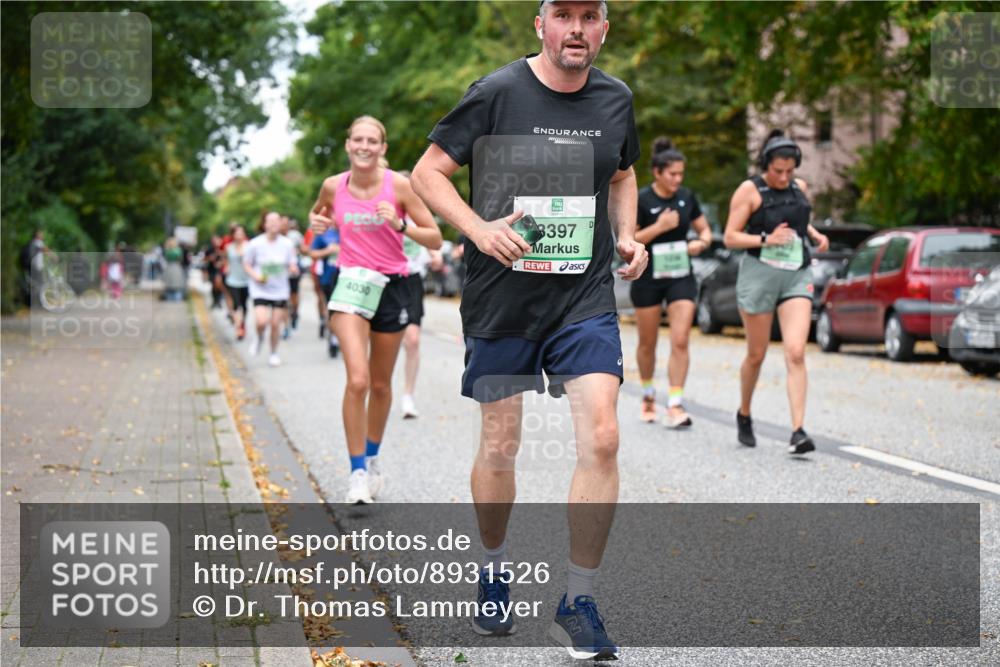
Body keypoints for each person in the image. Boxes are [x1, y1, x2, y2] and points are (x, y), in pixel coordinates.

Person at [411, 1, 644, 660]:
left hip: (583, 295)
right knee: (501, 444)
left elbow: (623, 174)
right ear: (539, 25)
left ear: (604, 28)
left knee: (602, 431)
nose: (577, 28)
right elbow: (426, 173)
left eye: (590, 15)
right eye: (563, 14)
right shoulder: (496, 93)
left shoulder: (616, 100)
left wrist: (626, 234)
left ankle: (578, 601)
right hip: (502, 300)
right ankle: (492, 567)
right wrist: (478, 229)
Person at [309, 116, 442, 505]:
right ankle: (356, 474)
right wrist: (316, 223)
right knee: (358, 380)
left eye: (373, 141)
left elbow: (433, 235)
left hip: (393, 287)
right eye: (358, 140)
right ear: (348, 144)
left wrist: (400, 225)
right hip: (351, 284)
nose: (365, 146)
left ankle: (372, 456)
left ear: (382, 149)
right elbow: (316, 219)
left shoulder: (399, 185)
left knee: (382, 384)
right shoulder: (333, 186)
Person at [723, 129, 829, 455]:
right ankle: (744, 413)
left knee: (795, 352)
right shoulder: (749, 191)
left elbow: (796, 222)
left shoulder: (799, 188)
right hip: (759, 275)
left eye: (789, 171)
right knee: (757, 354)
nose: (784, 177)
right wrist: (766, 240)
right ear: (766, 165)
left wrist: (814, 234)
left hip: (795, 275)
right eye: (777, 171)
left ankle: (798, 431)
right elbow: (730, 237)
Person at [631, 137, 712, 428]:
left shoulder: (687, 198)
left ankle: (675, 403)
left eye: (681, 174)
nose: (678, 179)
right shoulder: (642, 199)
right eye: (672, 174)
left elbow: (705, 232)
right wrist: (660, 227)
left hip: (680, 275)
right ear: (657, 172)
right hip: (648, 276)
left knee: (680, 339)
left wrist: (699, 244)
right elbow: (631, 240)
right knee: (647, 343)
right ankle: (648, 394)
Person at [396, 170, 444, 419]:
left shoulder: (418, 218)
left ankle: (408, 396)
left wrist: (436, 257)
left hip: (411, 281)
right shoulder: (385, 214)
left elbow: (433, 245)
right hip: (384, 281)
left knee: (412, 340)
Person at [244, 211, 299, 367]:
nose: (274, 224)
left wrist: (293, 268)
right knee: (261, 321)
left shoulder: (287, 244)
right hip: (260, 288)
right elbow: (247, 264)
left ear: (281, 224)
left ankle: (273, 353)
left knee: (275, 324)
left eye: (277, 221)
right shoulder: (255, 243)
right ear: (265, 224)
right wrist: (255, 276)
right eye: (271, 221)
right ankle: (259, 337)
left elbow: (292, 263)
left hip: (280, 290)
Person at [309, 223, 341, 357]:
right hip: (328, 278)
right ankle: (333, 338)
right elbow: (312, 253)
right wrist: (328, 251)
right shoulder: (324, 234)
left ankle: (343, 337)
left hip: (349, 278)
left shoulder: (353, 231)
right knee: (333, 310)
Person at [225, 225, 251, 340]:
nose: (239, 236)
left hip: (246, 280)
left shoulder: (249, 246)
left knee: (244, 305)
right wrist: (226, 268)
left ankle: (242, 323)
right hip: (233, 279)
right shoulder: (228, 247)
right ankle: (238, 328)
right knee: (236, 304)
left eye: (241, 233)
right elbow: (227, 261)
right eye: (237, 233)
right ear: (233, 235)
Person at [283, 216, 307, 334]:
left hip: (293, 270)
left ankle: (295, 312)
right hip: (281, 273)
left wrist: (298, 252)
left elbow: (303, 249)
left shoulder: (295, 235)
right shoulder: (275, 236)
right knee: (283, 298)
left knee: (294, 294)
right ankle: (286, 325)